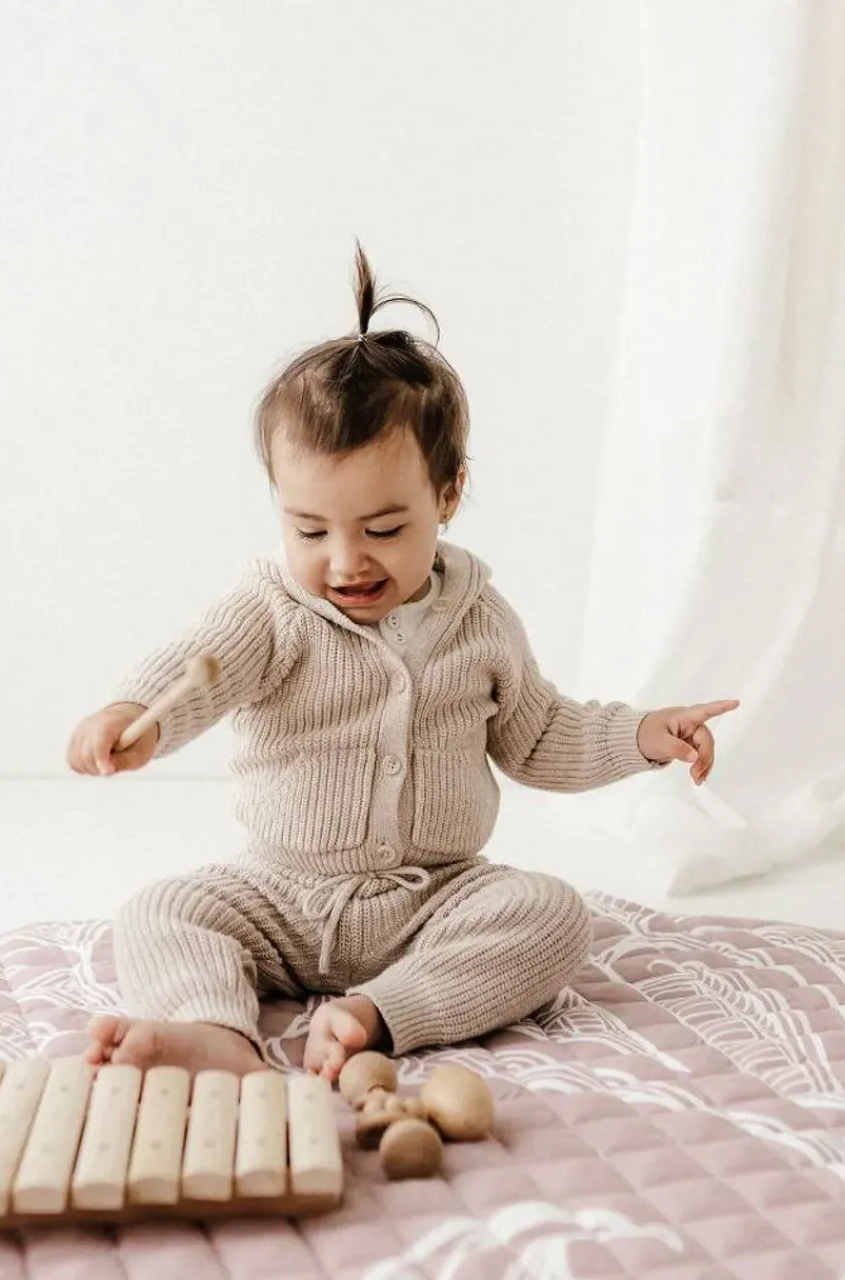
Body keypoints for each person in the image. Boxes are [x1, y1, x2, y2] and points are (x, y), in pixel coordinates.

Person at [66, 245, 738, 1082]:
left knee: (553, 914)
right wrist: (135, 715)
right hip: (278, 896)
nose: (346, 560)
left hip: (435, 900)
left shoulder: (480, 620)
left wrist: (641, 736)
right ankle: (214, 1031)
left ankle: (382, 1014)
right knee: (162, 910)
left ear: (447, 495)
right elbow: (198, 669)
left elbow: (539, 735)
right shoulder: (272, 611)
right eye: (310, 530)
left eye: (383, 530)